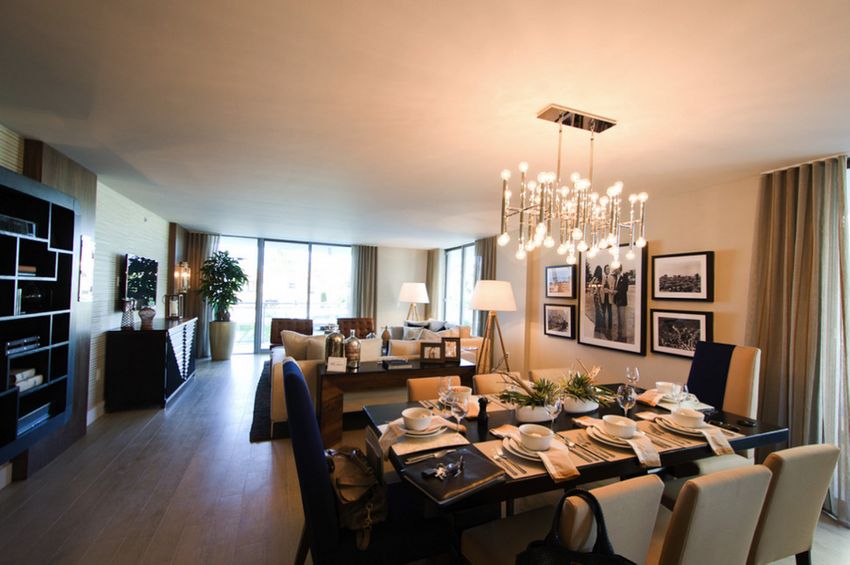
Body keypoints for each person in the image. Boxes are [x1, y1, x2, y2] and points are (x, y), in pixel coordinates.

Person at [614, 267, 630, 342]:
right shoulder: (616, 277)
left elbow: (625, 288)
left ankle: (624, 336)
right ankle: (619, 335)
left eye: (616, 269)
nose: (615, 270)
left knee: (622, 319)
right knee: (619, 319)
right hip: (617, 301)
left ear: (619, 269)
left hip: (622, 301)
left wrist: (617, 291)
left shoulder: (624, 277)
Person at [602, 265, 614, 340]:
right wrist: (603, 289)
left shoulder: (612, 278)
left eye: (609, 269)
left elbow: (613, 288)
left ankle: (610, 327)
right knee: (603, 312)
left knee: (610, 313)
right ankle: (603, 325)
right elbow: (600, 287)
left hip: (609, 297)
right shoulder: (602, 277)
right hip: (603, 297)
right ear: (604, 270)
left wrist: (609, 290)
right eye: (607, 269)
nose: (608, 270)